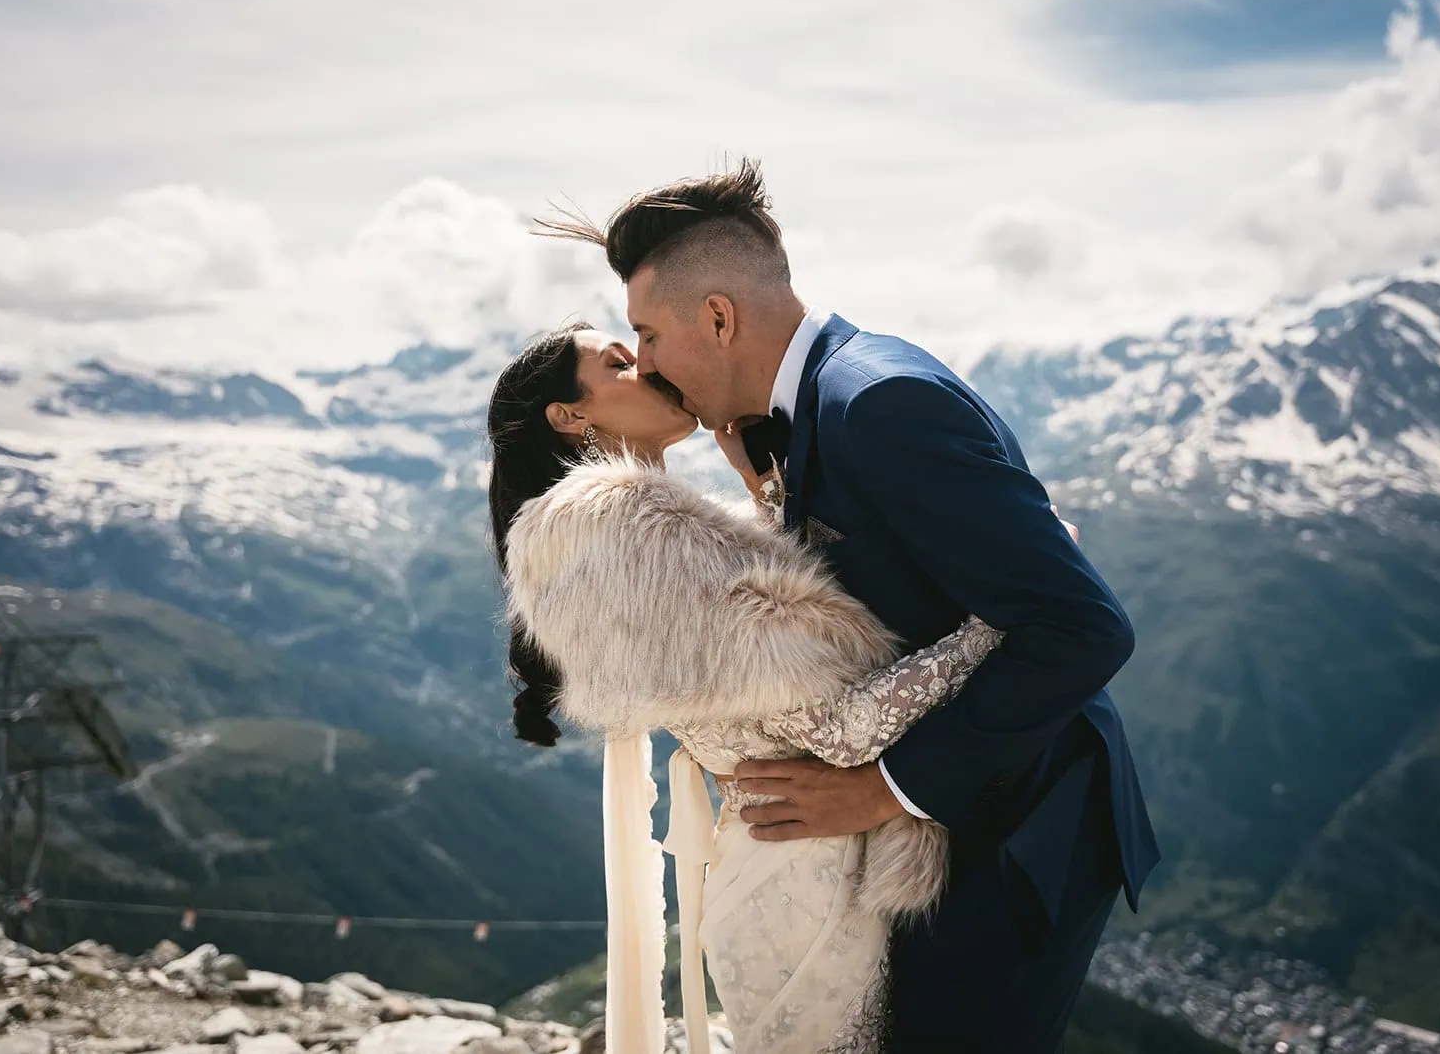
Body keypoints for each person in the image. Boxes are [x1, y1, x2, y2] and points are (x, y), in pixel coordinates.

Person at [535, 160, 1160, 1052]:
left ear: (719, 317)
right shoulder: (820, 403)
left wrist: (881, 789)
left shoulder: (877, 403)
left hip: (1022, 814)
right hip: (960, 810)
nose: (651, 363)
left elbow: (1085, 626)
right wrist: (768, 493)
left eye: (650, 334)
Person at [489, 323, 1001, 1054]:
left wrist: (763, 489)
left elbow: (764, 639)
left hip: (798, 859)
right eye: (620, 362)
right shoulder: (621, 534)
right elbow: (837, 727)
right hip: (803, 877)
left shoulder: (638, 535)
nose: (650, 363)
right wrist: (994, 624)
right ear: (570, 415)